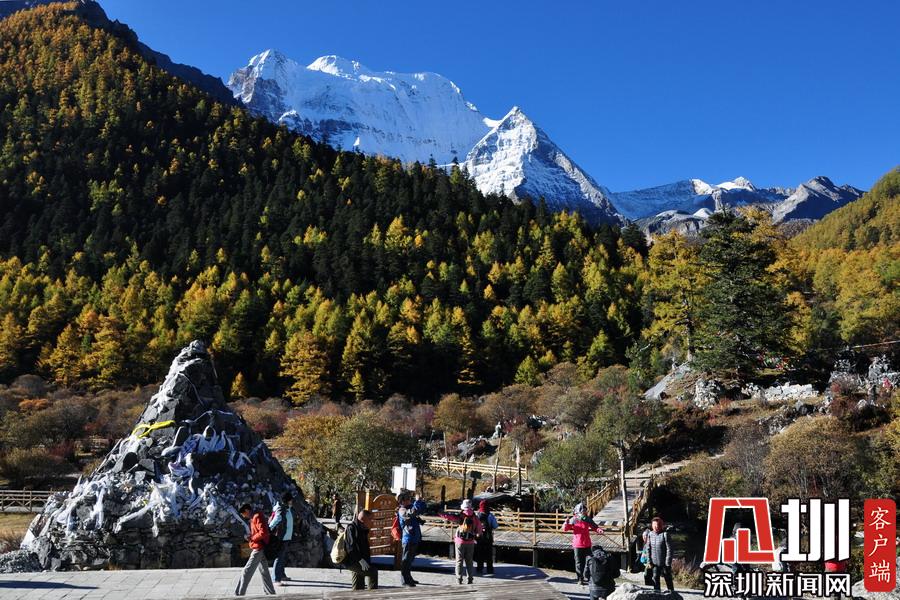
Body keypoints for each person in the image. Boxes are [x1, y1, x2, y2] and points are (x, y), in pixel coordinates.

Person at [234, 503, 276, 596]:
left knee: (246, 571)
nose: (243, 516)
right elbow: (259, 532)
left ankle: (239, 594)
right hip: (259, 546)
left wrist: (252, 538)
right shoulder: (254, 517)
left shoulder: (257, 516)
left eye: (243, 514)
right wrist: (251, 536)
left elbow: (263, 532)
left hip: (259, 548)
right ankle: (271, 593)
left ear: (246, 510)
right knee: (264, 572)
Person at [440, 499, 483, 584]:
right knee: (469, 561)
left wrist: (440, 513)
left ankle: (459, 579)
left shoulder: (461, 515)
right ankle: (470, 579)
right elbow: (479, 529)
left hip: (460, 541)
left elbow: (450, 517)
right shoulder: (475, 517)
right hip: (470, 541)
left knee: (459, 561)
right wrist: (477, 534)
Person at [563, 502, 602, 585]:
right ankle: (580, 579)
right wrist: (566, 522)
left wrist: (599, 530)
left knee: (590, 561)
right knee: (579, 563)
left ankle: (588, 577)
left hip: (587, 544)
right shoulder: (574, 519)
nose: (584, 512)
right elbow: (565, 529)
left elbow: (594, 526)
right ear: (578, 511)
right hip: (577, 544)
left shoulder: (587, 519)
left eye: (585, 511)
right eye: (582, 511)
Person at [344, 510, 378, 591]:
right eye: (370, 519)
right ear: (363, 519)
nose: (372, 521)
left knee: (358, 583)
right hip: (353, 561)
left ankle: (358, 595)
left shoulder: (362, 528)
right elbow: (351, 547)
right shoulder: (352, 528)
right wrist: (360, 560)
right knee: (373, 572)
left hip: (360, 560)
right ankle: (373, 595)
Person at [397, 492, 423, 587]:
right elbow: (412, 512)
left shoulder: (410, 507)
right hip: (408, 538)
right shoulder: (402, 510)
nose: (409, 500)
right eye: (407, 499)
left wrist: (420, 502)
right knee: (406, 560)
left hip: (414, 537)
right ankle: (405, 580)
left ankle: (409, 577)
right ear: (402, 501)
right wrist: (417, 501)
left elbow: (420, 509)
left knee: (410, 560)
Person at [268, 492, 294, 586]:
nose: (292, 501)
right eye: (290, 499)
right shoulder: (281, 508)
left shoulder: (287, 508)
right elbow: (277, 519)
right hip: (281, 537)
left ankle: (282, 575)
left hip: (286, 536)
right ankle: (275, 579)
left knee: (282, 557)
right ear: (287, 500)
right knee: (279, 557)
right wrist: (269, 528)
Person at [646, 516, 674, 593]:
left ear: (661, 525)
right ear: (652, 525)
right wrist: (649, 561)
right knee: (655, 578)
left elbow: (670, 549)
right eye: (654, 525)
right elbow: (648, 549)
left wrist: (667, 563)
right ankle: (657, 594)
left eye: (658, 525)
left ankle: (672, 594)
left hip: (664, 563)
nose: (656, 527)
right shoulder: (650, 534)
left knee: (668, 579)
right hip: (654, 562)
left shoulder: (665, 535)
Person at [475, 500, 499, 575]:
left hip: (479, 537)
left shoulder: (477, 515)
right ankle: (490, 569)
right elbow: (495, 526)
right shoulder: (490, 515)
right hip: (488, 537)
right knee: (489, 554)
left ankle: (479, 568)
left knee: (480, 553)